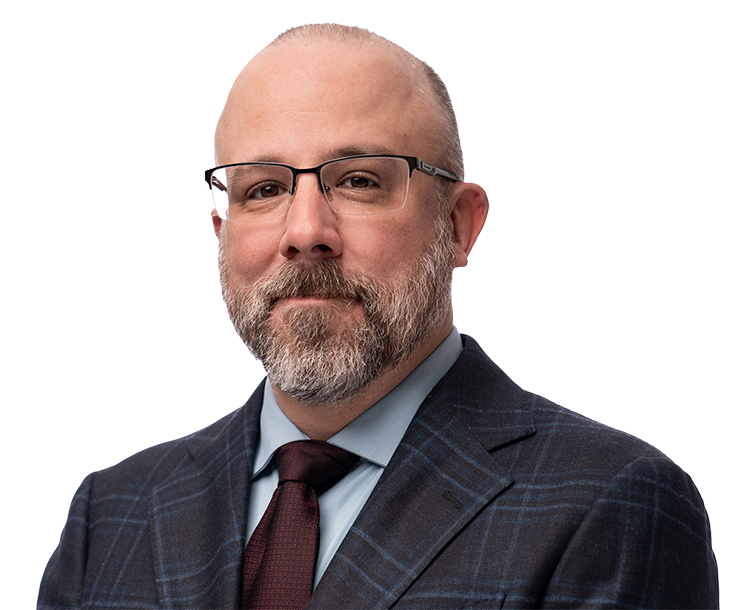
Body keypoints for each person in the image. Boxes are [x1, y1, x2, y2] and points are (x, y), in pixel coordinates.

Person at [38, 23, 718, 609]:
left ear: (459, 225)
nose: (305, 232)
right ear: (222, 231)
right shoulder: (112, 513)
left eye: (359, 180)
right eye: (264, 188)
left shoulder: (610, 505)